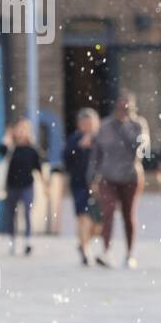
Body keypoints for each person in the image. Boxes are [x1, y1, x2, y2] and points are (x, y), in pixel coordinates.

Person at [93, 90, 150, 268]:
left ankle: (130, 253)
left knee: (128, 214)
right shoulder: (105, 126)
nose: (123, 110)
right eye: (121, 106)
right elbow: (96, 153)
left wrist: (126, 127)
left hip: (130, 176)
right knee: (107, 213)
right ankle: (106, 251)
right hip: (108, 176)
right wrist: (92, 176)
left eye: (127, 107)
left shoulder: (139, 125)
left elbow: (142, 150)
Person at [0, 117, 45, 256]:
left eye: (24, 128)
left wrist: (45, 185)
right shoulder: (10, 148)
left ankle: (28, 241)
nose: (22, 131)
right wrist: (7, 137)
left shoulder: (32, 150)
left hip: (27, 186)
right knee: (11, 214)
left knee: (27, 213)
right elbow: (0, 151)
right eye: (19, 128)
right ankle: (12, 240)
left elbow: (39, 168)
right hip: (11, 186)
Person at [63, 108, 102, 266]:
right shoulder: (74, 139)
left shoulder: (101, 139)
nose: (87, 126)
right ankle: (85, 250)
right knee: (83, 217)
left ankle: (84, 243)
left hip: (100, 184)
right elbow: (66, 160)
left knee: (99, 223)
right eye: (84, 123)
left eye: (90, 123)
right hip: (79, 184)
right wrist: (78, 148)